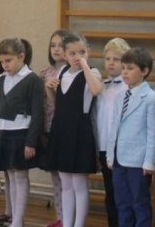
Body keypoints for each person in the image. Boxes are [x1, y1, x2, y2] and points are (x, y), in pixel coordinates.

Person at [44, 32, 102, 227]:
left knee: (79, 183)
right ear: (65, 55)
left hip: (80, 132)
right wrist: (48, 88)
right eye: (73, 53)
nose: (77, 57)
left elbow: (96, 90)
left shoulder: (92, 72)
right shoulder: (61, 72)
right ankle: (67, 223)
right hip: (61, 131)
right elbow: (56, 104)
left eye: (82, 52)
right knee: (66, 183)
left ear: (88, 52)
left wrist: (85, 66)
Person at [107, 47, 155, 227]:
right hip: (119, 159)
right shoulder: (121, 96)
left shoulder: (151, 98)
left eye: (130, 68)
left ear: (145, 71)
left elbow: (154, 134)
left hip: (138, 161)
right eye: (124, 68)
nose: (125, 72)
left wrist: (149, 161)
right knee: (122, 203)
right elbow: (114, 127)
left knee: (139, 203)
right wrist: (110, 154)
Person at [0, 38, 43, 227]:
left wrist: (30, 142)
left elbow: (37, 114)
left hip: (21, 134)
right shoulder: (2, 80)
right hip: (3, 134)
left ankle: (18, 220)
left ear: (21, 56)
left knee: (20, 177)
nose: (5, 65)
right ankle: (14, 217)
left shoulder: (33, 80)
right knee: (11, 177)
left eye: (9, 60)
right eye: (2, 61)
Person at [95, 37, 130, 227]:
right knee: (109, 191)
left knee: (122, 193)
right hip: (103, 146)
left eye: (116, 59)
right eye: (108, 59)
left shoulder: (127, 89)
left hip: (120, 148)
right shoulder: (101, 86)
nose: (110, 63)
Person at [39, 29, 68, 227]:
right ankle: (60, 216)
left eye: (61, 45)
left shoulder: (71, 73)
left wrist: (51, 90)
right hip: (47, 128)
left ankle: (69, 219)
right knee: (55, 175)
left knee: (67, 177)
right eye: (53, 45)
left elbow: (61, 105)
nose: (56, 49)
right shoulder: (45, 73)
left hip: (64, 130)